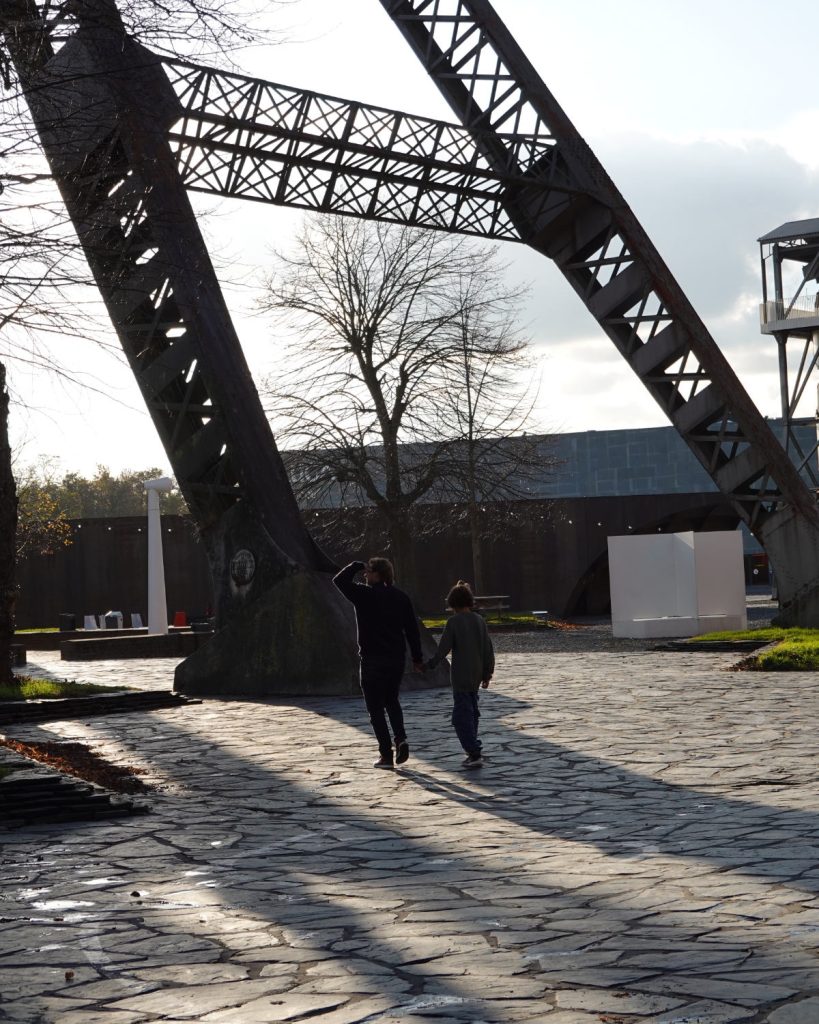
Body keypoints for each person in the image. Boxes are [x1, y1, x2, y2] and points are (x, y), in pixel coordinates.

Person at [333, 557, 423, 769]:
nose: (365, 575)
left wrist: (355, 565)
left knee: (375, 709)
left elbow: (339, 581)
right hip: (395, 659)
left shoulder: (364, 595)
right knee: (392, 701)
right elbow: (412, 630)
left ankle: (386, 755)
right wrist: (417, 658)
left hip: (372, 659)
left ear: (378, 574)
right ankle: (401, 738)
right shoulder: (401, 598)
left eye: (369, 571)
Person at [426, 580, 494, 769]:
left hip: (461, 676)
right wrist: (487, 673)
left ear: (452, 603)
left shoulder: (454, 622)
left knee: (460, 717)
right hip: (476, 675)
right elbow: (488, 649)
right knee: (472, 713)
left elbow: (443, 649)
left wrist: (429, 665)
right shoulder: (479, 621)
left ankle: (473, 751)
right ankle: (473, 748)